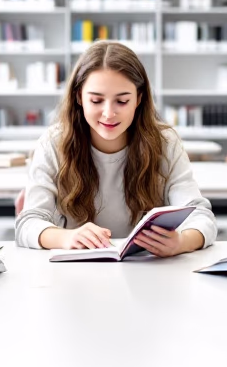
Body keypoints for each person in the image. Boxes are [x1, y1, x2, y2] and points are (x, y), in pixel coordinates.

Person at [16, 39, 216, 255]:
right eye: (96, 101)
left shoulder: (165, 142)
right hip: (75, 271)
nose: (109, 113)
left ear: (139, 99)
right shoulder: (53, 143)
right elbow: (27, 223)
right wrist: (66, 237)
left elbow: (201, 215)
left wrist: (182, 242)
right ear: (79, 97)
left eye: (122, 102)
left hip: (146, 271)